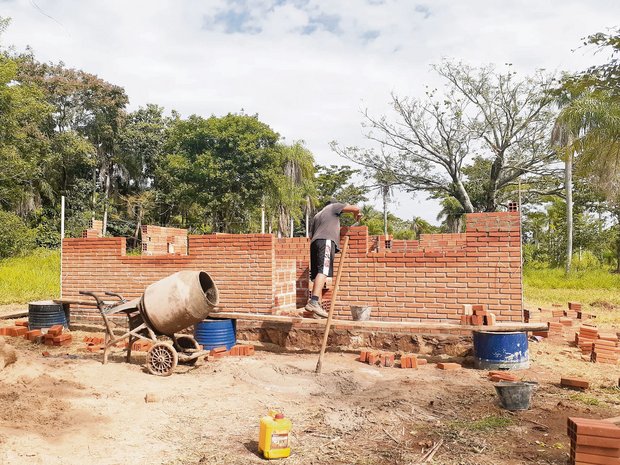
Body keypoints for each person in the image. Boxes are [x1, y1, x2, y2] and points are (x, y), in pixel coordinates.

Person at [305, 200, 362, 318]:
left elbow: (310, 236)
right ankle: (314, 302)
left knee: (318, 275)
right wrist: (356, 215)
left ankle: (317, 309)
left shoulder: (317, 216)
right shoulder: (333, 207)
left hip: (314, 243)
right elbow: (356, 208)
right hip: (325, 241)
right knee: (323, 271)